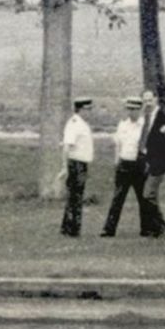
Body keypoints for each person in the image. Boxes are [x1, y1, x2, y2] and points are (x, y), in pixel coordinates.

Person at [100, 97, 146, 238]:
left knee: (143, 198)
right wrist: (117, 162)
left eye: (134, 109)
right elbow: (118, 145)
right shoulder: (123, 125)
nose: (131, 112)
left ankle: (147, 228)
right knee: (118, 197)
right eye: (129, 109)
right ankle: (109, 229)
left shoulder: (145, 125)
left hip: (139, 164)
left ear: (140, 110)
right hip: (124, 164)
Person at [138, 89, 165, 238]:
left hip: (159, 162)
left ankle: (162, 226)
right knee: (152, 195)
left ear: (156, 99)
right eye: (145, 101)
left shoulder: (164, 116)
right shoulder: (146, 117)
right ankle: (158, 228)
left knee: (148, 194)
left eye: (150, 100)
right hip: (147, 161)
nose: (147, 103)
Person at [60, 97, 94, 238]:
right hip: (76, 163)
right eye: (88, 109)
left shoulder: (82, 124)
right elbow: (67, 146)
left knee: (75, 196)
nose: (90, 112)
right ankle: (73, 229)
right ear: (81, 109)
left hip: (81, 163)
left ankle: (68, 227)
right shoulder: (74, 124)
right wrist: (65, 167)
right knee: (75, 197)